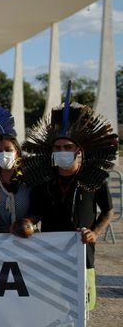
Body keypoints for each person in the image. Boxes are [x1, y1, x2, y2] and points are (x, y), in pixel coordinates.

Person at [19, 83, 117, 310]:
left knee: (83, 307)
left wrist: (95, 232)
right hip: (52, 252)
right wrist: (27, 223)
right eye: (57, 147)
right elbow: (35, 213)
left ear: (79, 150)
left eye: (67, 146)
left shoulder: (95, 178)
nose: (61, 151)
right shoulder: (43, 182)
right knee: (54, 306)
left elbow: (108, 211)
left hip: (84, 253)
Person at [0, 134, 30, 234]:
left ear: (17, 153)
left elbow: (38, 212)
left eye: (8, 150)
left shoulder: (30, 182)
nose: (3, 154)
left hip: (28, 239)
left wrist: (25, 224)